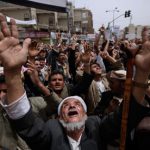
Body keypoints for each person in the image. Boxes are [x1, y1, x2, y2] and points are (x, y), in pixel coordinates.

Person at [0, 13, 150, 150]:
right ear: (59, 117)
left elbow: (126, 115)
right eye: (65, 105)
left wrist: (142, 73)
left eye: (78, 104)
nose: (71, 105)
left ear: (85, 114)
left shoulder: (96, 127)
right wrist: (12, 73)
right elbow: (26, 122)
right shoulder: (51, 131)